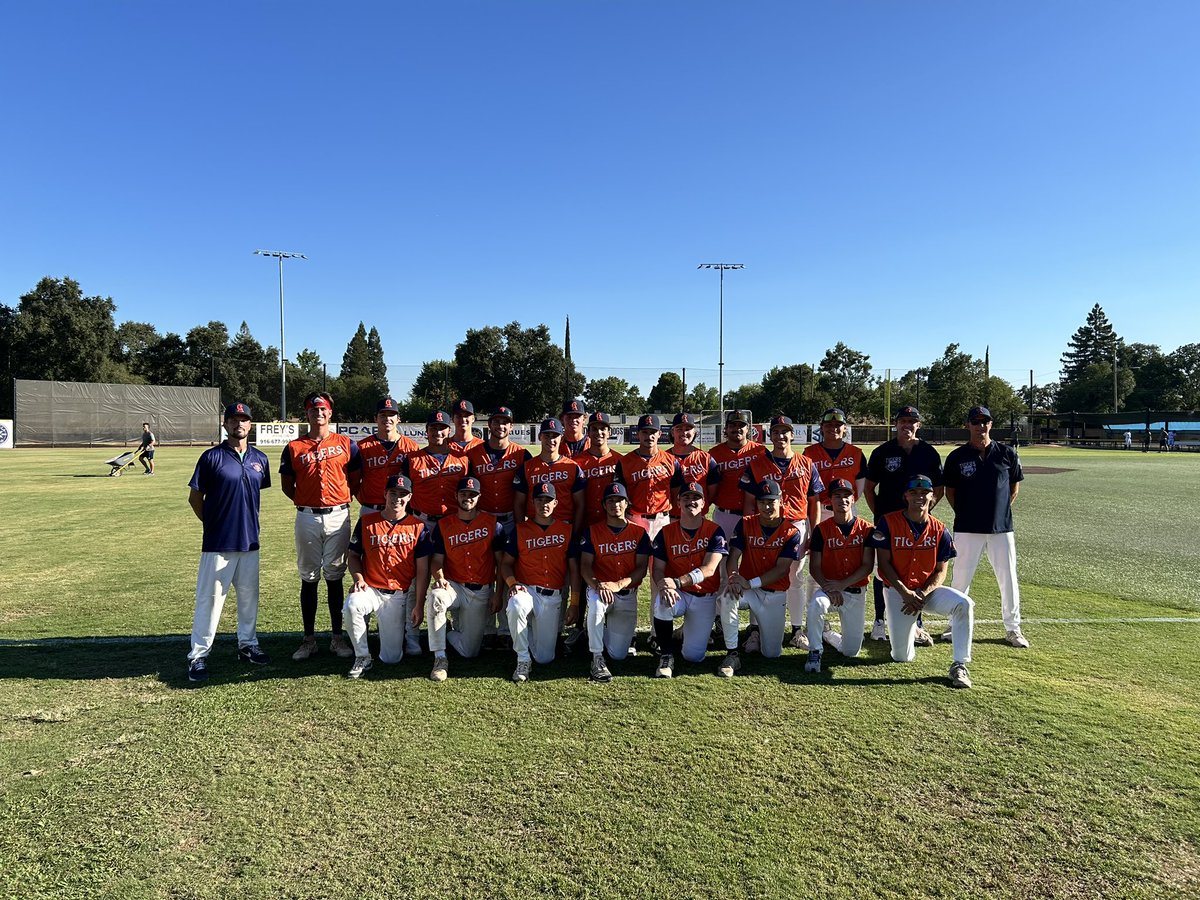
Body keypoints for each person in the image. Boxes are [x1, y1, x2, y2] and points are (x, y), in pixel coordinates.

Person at [186, 402, 271, 683]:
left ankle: (247, 645)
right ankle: (198, 655)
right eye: (234, 420)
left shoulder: (260, 458)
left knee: (249, 600)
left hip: (250, 541)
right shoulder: (211, 457)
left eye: (244, 420)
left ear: (250, 424)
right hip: (218, 543)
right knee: (209, 602)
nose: (239, 424)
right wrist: (212, 524)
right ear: (225, 425)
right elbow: (195, 498)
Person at [869, 475, 974, 689]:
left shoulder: (939, 529)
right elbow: (884, 564)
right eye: (914, 492)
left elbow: (940, 571)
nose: (919, 496)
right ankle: (913, 630)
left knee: (964, 604)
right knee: (902, 656)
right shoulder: (888, 522)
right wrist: (906, 593)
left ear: (932, 497)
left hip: (926, 592)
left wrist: (921, 595)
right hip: (898, 591)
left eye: (924, 492)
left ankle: (959, 664)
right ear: (905, 496)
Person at [280, 391, 362, 662]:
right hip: (307, 516)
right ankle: (309, 639)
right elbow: (287, 485)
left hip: (338, 514)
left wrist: (335, 500)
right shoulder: (294, 446)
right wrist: (307, 501)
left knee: (335, 574)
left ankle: (337, 638)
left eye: (323, 409)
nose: (319, 413)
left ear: (330, 413)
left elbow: (355, 479)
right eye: (313, 409)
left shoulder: (346, 444)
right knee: (309, 576)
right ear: (307, 413)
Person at [942, 406, 1029, 649]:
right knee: (960, 578)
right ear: (968, 425)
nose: (981, 426)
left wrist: (998, 511)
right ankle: (953, 625)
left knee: (1008, 578)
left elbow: (1013, 488)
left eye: (985, 422)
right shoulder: (957, 457)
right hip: (968, 527)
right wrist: (968, 512)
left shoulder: (1006, 453)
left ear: (991, 424)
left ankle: (1013, 628)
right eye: (976, 422)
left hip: (1001, 528)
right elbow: (950, 492)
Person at [738, 414, 823, 651]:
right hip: (762, 525)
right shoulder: (757, 463)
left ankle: (797, 630)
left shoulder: (806, 463)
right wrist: (747, 528)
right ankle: (754, 630)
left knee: (795, 578)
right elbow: (748, 501)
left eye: (784, 431)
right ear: (770, 435)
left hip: (795, 525)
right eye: (775, 432)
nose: (780, 436)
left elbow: (814, 500)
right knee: (759, 573)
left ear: (792, 434)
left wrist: (813, 531)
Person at [864, 405, 943, 646]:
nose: (907, 425)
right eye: (903, 421)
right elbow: (869, 488)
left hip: (918, 524)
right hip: (888, 522)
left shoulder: (928, 453)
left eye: (912, 421)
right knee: (883, 570)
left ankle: (917, 622)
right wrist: (881, 515)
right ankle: (879, 621)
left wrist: (924, 513)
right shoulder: (882, 452)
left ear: (918, 425)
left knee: (916, 568)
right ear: (895, 424)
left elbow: (938, 489)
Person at [342, 475, 430, 679]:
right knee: (352, 604)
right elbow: (353, 556)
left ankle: (388, 640)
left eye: (402, 494)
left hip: (397, 594)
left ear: (410, 497)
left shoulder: (418, 526)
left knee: (392, 658)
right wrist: (358, 579)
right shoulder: (367, 521)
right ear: (385, 494)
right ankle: (362, 656)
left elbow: (423, 570)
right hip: (370, 588)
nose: (397, 498)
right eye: (393, 493)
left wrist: (418, 605)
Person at [422, 476, 506, 681]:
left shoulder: (493, 524)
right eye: (463, 494)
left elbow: (501, 563)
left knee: (470, 652)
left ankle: (449, 631)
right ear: (456, 496)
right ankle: (440, 658)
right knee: (436, 596)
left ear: (479, 497)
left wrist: (498, 593)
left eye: (472, 495)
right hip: (454, 586)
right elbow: (436, 561)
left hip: (481, 590)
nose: (467, 498)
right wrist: (439, 577)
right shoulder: (444, 525)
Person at [649, 481, 731, 678]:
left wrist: (676, 582)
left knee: (693, 656)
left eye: (696, 498)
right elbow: (658, 568)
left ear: (704, 503)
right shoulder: (666, 532)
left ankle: (683, 632)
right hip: (679, 594)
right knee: (661, 601)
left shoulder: (715, 530)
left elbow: (710, 569)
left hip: (704, 596)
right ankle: (666, 656)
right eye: (686, 497)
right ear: (678, 502)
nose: (691, 501)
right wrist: (663, 585)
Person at [720, 480, 805, 663]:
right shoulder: (745, 523)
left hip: (774, 594)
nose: (766, 506)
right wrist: (734, 577)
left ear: (780, 500)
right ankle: (732, 652)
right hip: (748, 591)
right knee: (727, 598)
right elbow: (733, 555)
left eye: (771, 502)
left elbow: (782, 569)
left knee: (772, 653)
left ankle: (759, 634)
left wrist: (750, 583)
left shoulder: (791, 531)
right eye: (762, 502)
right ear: (756, 503)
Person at [577, 482, 651, 682]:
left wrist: (618, 584)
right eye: (610, 500)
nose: (615, 504)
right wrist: (597, 584)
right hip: (600, 588)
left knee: (618, 654)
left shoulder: (639, 533)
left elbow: (641, 569)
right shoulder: (592, 531)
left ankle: (594, 629)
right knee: (596, 604)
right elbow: (585, 565)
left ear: (627, 503)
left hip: (626, 593)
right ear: (603, 504)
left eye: (620, 500)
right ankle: (596, 658)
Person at [502, 482, 576, 683]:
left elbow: (574, 569)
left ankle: (529, 631)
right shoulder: (520, 530)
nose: (544, 504)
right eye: (540, 499)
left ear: (556, 503)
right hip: (526, 590)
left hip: (552, 595)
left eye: (548, 500)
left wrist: (575, 602)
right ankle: (523, 659)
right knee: (516, 604)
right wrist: (512, 583)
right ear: (532, 502)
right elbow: (506, 564)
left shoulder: (566, 530)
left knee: (545, 658)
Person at [803, 478, 875, 674]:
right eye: (837, 496)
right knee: (816, 604)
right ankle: (815, 650)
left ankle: (829, 636)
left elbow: (867, 566)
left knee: (851, 652)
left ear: (853, 499)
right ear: (830, 500)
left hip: (854, 591)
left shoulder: (867, 529)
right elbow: (815, 566)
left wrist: (841, 585)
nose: (842, 500)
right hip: (829, 590)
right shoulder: (821, 529)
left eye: (846, 495)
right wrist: (828, 587)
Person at [512, 417, 587, 535]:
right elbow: (518, 503)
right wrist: (522, 531)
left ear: (561, 438)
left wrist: (575, 533)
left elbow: (580, 504)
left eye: (555, 436)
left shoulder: (572, 467)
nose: (551, 440)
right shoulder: (527, 467)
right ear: (539, 437)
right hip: (534, 527)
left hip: (564, 526)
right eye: (547, 435)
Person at [615, 414, 682, 542]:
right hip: (635, 518)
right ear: (637, 434)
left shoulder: (671, 461)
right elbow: (620, 493)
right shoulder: (625, 462)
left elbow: (676, 491)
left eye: (653, 432)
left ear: (659, 434)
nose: (649, 436)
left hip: (662, 519)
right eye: (645, 432)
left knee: (660, 560)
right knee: (636, 560)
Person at [401, 410, 472, 525]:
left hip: (454, 519)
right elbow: (403, 492)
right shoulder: (412, 459)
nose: (438, 432)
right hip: (421, 520)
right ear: (426, 431)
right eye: (433, 428)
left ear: (449, 431)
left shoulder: (463, 458)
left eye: (442, 428)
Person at [466, 406, 530, 531]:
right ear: (489, 424)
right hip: (482, 518)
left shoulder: (521, 454)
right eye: (496, 422)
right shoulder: (473, 454)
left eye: (505, 422)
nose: (500, 426)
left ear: (511, 426)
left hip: (511, 519)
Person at [708, 410, 767, 544]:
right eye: (732, 425)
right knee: (722, 558)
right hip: (725, 515)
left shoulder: (760, 451)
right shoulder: (714, 454)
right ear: (726, 429)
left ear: (748, 429)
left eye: (741, 425)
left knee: (755, 558)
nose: (737, 429)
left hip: (756, 513)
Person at [355, 397, 419, 517]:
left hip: (400, 509)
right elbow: (354, 480)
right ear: (376, 418)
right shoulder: (362, 447)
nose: (387, 418)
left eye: (391, 415)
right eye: (383, 414)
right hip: (371, 508)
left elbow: (415, 481)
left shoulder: (411, 447)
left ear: (398, 419)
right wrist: (364, 499)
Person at [573, 411, 624, 527]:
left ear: (609, 432)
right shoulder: (576, 463)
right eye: (594, 429)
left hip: (613, 523)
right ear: (588, 433)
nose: (599, 433)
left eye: (603, 429)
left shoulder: (620, 460)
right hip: (586, 523)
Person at [666, 412, 719, 519]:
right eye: (679, 429)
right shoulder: (663, 459)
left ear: (695, 432)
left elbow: (712, 493)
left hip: (698, 516)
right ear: (672, 432)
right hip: (670, 517)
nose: (684, 432)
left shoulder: (706, 459)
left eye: (688, 429)